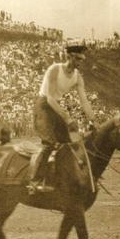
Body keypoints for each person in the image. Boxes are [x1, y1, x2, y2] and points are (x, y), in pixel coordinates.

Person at [29, 42, 96, 193]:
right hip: (43, 105)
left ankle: (62, 177)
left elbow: (84, 101)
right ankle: (34, 181)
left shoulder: (78, 77)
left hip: (56, 107)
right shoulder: (54, 69)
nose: (80, 62)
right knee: (49, 143)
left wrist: (93, 120)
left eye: (81, 59)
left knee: (67, 143)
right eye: (77, 59)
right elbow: (50, 98)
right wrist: (68, 119)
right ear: (70, 57)